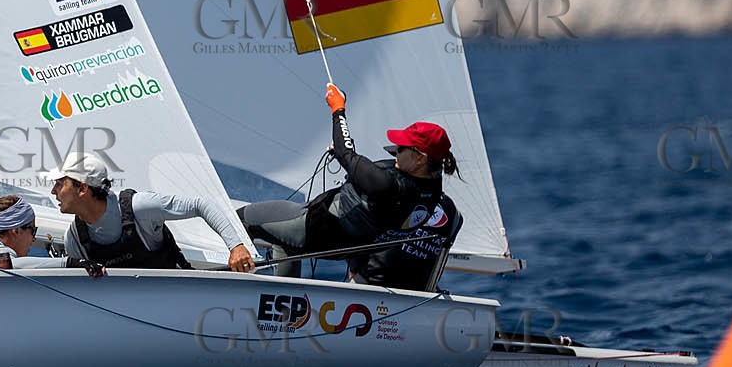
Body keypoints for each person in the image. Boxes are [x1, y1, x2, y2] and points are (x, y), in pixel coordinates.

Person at [239, 83, 459, 277]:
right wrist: (345, 156)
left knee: (239, 220)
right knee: (285, 247)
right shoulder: (432, 187)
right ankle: (283, 315)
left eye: (401, 148)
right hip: (344, 247)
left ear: (421, 159)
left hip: (312, 231)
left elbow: (347, 153)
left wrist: (338, 108)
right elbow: (361, 168)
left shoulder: (387, 186)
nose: (395, 152)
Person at [46, 153, 255, 273]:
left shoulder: (140, 207)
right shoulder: (74, 239)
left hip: (178, 297)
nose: (53, 191)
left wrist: (236, 246)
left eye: (59, 184)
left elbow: (202, 204)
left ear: (82, 189)